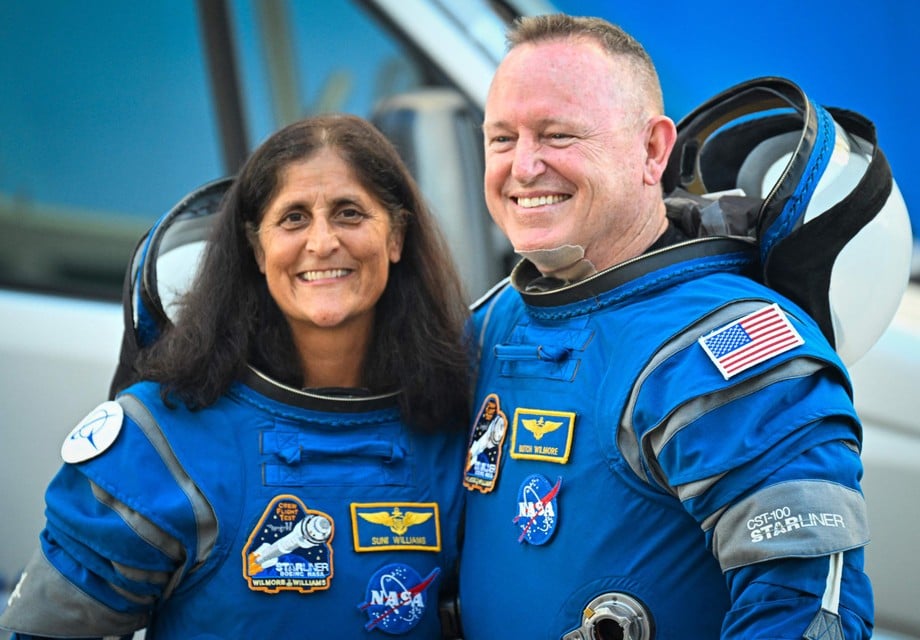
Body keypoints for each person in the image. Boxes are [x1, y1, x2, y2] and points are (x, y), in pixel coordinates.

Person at [458, 14, 875, 640]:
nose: (523, 166)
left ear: (654, 149)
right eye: (501, 139)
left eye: (558, 135)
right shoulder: (498, 316)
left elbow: (805, 612)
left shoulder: (730, 346)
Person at [0, 114, 470, 638]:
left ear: (396, 236)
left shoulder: (450, 430)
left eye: (349, 213)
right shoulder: (161, 440)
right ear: (257, 249)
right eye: (293, 218)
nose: (321, 242)